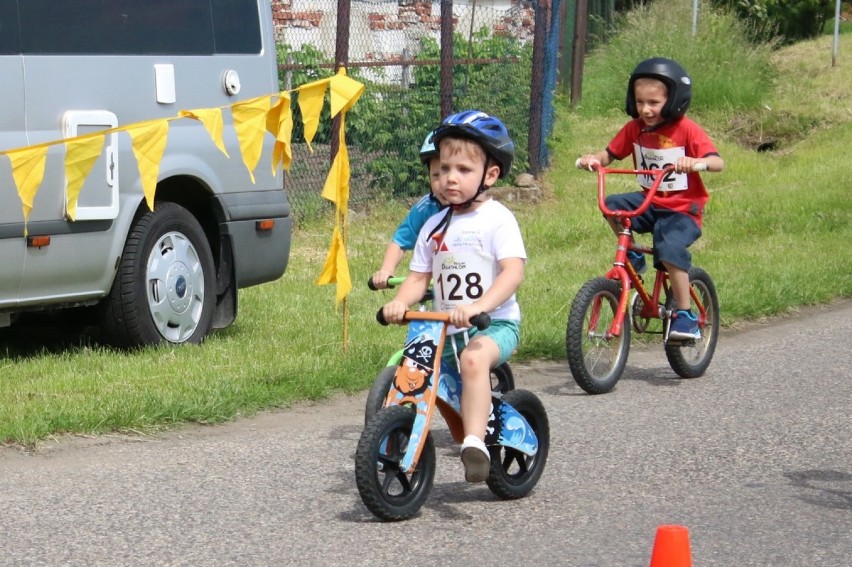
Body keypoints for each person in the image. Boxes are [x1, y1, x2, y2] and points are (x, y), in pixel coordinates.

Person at [381, 110, 525, 483]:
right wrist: (402, 302)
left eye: (462, 169)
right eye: (444, 169)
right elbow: (417, 278)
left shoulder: (498, 219)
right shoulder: (433, 224)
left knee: (473, 362)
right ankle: (396, 443)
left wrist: (479, 306)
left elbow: (513, 273)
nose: (449, 178)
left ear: (490, 175)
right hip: (444, 326)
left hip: (493, 324)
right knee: (416, 372)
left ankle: (474, 442)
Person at [576, 57, 724, 341]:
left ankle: (685, 314)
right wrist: (594, 159)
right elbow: (610, 154)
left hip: (682, 211)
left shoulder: (686, 129)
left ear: (673, 100)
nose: (646, 109)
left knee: (668, 249)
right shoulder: (634, 129)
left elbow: (717, 162)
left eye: (654, 103)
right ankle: (631, 253)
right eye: (640, 101)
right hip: (651, 203)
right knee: (614, 205)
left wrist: (695, 163)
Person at [370, 130, 447, 289]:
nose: (444, 183)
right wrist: (386, 269)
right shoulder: (426, 207)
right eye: (436, 175)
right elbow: (399, 242)